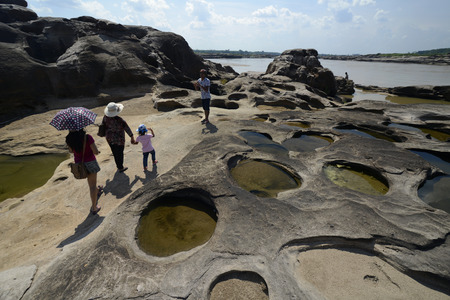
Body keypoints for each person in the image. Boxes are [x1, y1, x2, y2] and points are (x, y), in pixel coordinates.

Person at [66, 129, 103, 215]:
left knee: (91, 184)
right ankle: (94, 208)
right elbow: (96, 152)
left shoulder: (68, 139)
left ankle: (97, 191)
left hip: (79, 164)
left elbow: (71, 151)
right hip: (90, 162)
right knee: (92, 186)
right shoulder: (87, 137)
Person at [101, 102, 135, 172]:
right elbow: (126, 128)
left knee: (115, 152)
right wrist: (132, 137)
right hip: (120, 139)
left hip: (109, 139)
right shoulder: (120, 120)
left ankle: (118, 165)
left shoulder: (105, 118)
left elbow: (103, 126)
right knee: (120, 153)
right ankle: (120, 167)